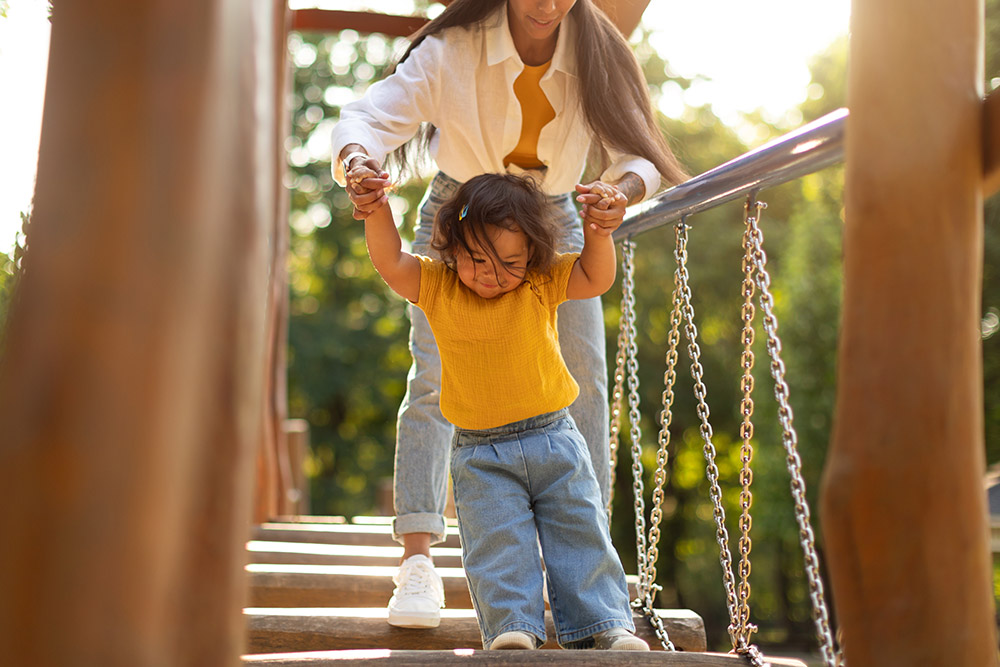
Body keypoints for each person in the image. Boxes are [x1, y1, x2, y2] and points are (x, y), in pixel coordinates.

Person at [331, 0, 686, 628]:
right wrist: (360, 161)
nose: (547, 5)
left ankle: (582, 573)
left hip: (552, 222)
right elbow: (368, 116)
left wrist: (617, 194)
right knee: (437, 380)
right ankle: (417, 560)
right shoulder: (455, 50)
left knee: (582, 384)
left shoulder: (597, 53)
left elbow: (638, 156)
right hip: (461, 220)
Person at [356, 169, 649, 650]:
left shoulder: (540, 281)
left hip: (555, 437)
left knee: (580, 530)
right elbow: (389, 260)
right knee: (497, 543)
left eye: (509, 261)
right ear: (450, 246)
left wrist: (599, 233)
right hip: (481, 453)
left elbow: (596, 278)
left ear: (532, 254)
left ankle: (605, 625)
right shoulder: (437, 286)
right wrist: (376, 208)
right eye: (476, 259)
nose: (491, 274)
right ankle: (514, 627)